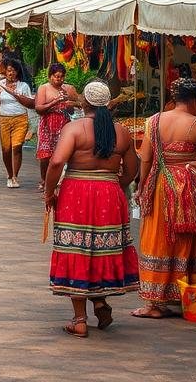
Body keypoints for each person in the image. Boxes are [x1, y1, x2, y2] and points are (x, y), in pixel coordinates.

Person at [134, 77, 196, 319]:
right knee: (183, 239)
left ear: (175, 98)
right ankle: (180, 294)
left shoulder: (153, 121)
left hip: (159, 183)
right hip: (187, 183)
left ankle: (153, 303)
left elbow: (146, 158)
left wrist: (141, 186)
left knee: (156, 237)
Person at [45, 80, 139, 338]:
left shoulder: (74, 128)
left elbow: (56, 162)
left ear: (84, 102)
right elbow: (132, 169)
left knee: (76, 248)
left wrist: (49, 191)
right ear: (108, 103)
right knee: (101, 249)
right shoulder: (121, 132)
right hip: (109, 194)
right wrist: (112, 183)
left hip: (76, 191)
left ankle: (79, 319)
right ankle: (99, 302)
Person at [35, 63, 80, 191]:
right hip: (47, 125)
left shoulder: (68, 89)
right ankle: (44, 179)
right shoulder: (44, 88)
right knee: (45, 155)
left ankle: (59, 180)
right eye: (56, 76)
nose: (59, 79)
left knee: (61, 154)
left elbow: (73, 111)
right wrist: (55, 101)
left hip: (63, 124)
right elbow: (39, 108)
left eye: (62, 77)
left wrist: (69, 103)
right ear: (50, 77)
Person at [0, 59, 35, 188]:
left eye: (14, 70)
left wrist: (15, 94)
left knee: (17, 146)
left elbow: (29, 103)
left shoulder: (23, 86)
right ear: (5, 71)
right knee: (6, 149)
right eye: (9, 70)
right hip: (4, 118)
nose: (11, 73)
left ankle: (14, 176)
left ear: (17, 72)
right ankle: (9, 173)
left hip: (20, 118)